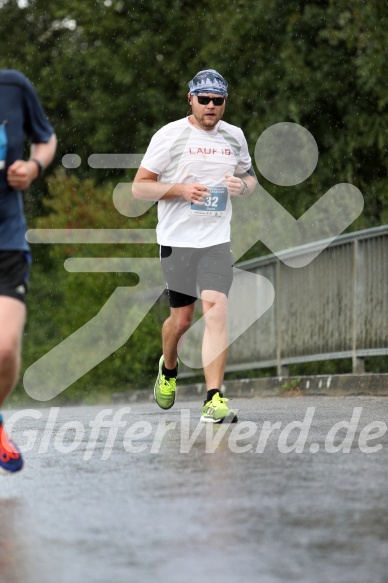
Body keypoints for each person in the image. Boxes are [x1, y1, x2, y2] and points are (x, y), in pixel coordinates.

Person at [133, 69, 257, 423]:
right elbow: (140, 187)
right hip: (177, 242)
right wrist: (181, 190)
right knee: (182, 320)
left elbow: (251, 179)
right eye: (204, 100)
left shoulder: (234, 137)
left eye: (218, 101)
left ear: (225, 103)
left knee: (216, 309)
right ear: (191, 99)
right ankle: (168, 367)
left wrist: (242, 187)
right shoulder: (170, 135)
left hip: (216, 240)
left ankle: (214, 398)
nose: (211, 107)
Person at [0, 69, 57, 473]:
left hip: (7, 239)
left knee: (4, 348)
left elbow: (46, 137)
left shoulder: (14, 87)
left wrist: (34, 167)